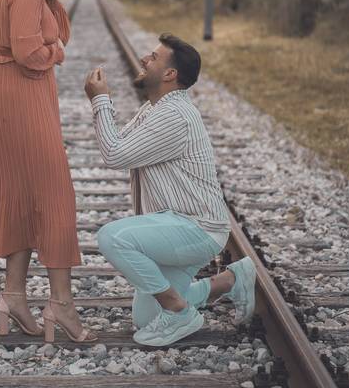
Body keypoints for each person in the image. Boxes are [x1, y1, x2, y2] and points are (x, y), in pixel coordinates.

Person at [84, 33, 257, 347]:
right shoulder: (155, 109)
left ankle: (178, 311)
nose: (144, 60)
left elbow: (114, 155)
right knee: (146, 320)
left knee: (111, 237)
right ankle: (232, 280)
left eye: (152, 57)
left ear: (169, 74)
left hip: (194, 227)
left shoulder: (173, 115)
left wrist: (99, 99)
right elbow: (120, 146)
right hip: (179, 224)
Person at [0, 0, 97, 343]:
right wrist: (57, 55)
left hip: (14, 91)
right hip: (23, 91)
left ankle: (13, 295)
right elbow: (34, 53)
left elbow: (59, 28)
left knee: (24, 194)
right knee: (54, 195)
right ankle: (61, 305)